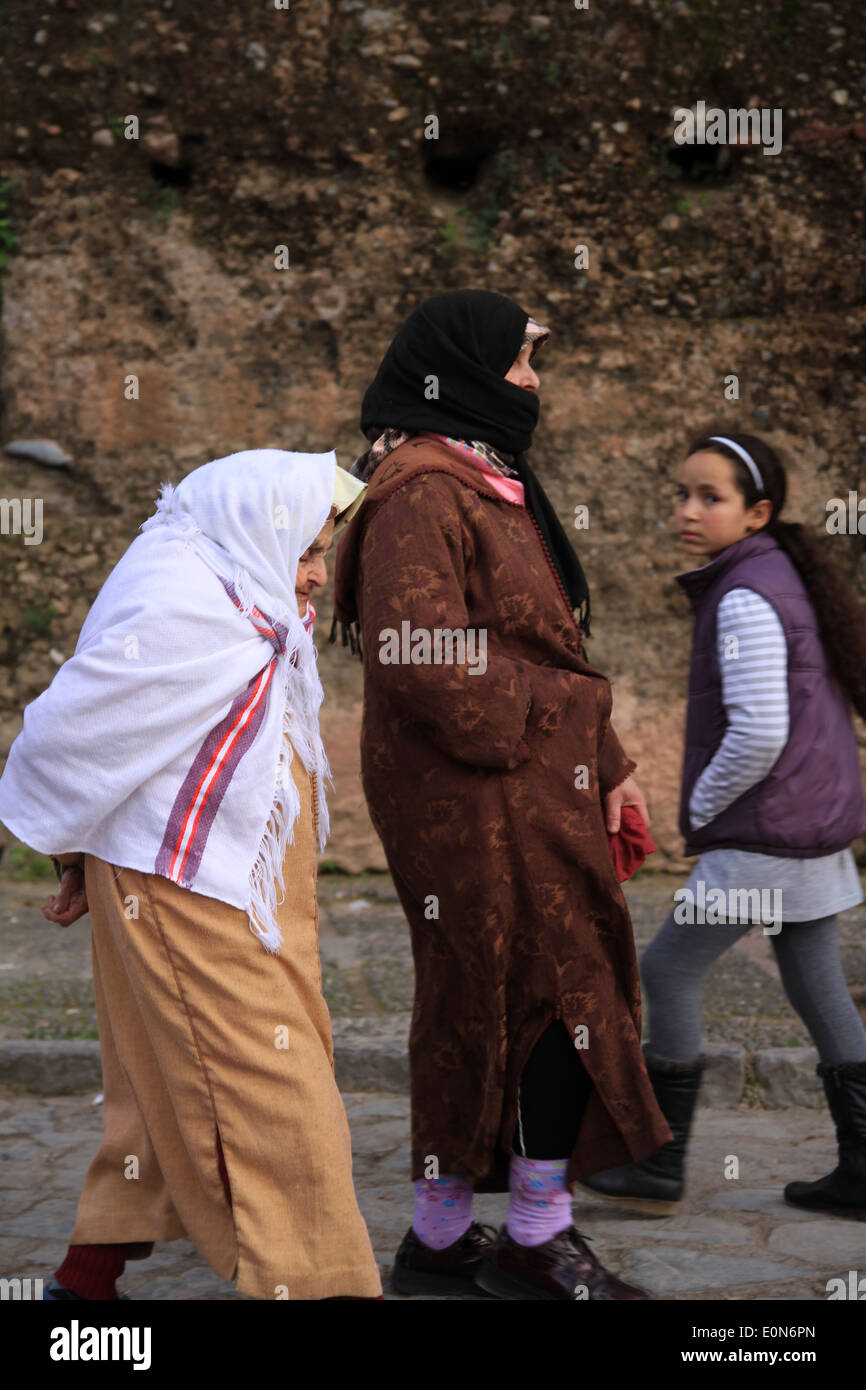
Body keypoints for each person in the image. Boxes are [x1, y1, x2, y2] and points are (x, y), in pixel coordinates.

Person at [332, 289, 672, 1301]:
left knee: (496, 993)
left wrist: (603, 764)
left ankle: (438, 1240)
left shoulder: (485, 480)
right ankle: (533, 1235)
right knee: (548, 994)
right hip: (470, 793)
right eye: (520, 361)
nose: (533, 381)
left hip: (530, 780)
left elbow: (543, 646)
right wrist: (566, 720)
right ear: (463, 369)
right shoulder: (419, 491)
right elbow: (417, 654)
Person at [0, 448, 384, 1300]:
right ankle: (320, 1286)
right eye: (309, 552)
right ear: (261, 528)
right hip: (182, 887)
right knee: (267, 1086)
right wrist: (71, 847)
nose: (319, 575)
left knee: (157, 1068)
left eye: (323, 552)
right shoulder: (183, 598)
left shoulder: (238, 591)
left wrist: (78, 851)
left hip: (227, 878)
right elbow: (72, 732)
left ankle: (89, 1271)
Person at [581, 432, 866, 1218]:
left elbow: (762, 730)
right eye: (681, 493)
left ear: (757, 512)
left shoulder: (744, 594)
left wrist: (704, 805)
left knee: (670, 971)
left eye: (710, 498)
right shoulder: (776, 576)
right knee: (817, 988)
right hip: (806, 833)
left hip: (763, 839)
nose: (687, 511)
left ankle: (658, 1166)